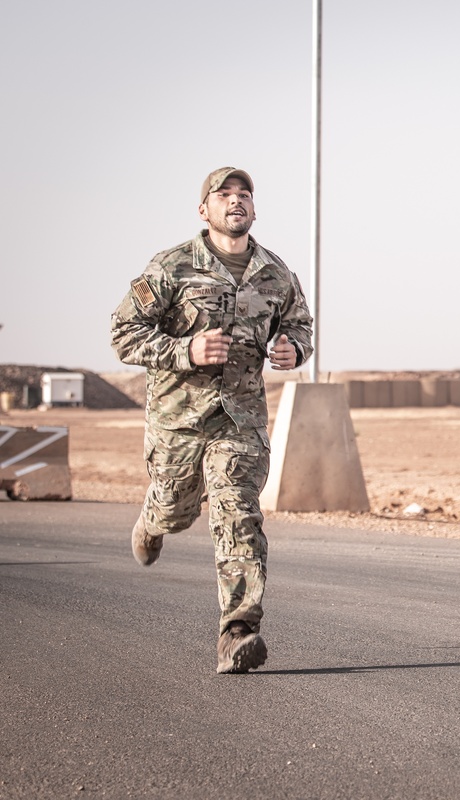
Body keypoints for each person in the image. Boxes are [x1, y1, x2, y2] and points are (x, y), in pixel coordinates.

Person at [110, 167, 314, 675]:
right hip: (178, 422)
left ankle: (237, 631)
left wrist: (294, 350)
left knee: (238, 514)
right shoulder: (171, 267)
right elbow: (123, 333)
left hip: (240, 420)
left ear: (254, 209)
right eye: (224, 194)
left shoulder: (276, 273)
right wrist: (185, 350)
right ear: (205, 210)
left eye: (245, 194)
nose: (236, 200)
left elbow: (299, 327)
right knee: (179, 509)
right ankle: (155, 518)